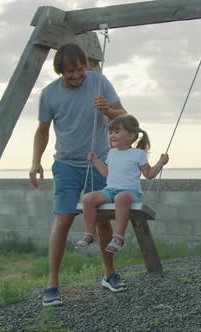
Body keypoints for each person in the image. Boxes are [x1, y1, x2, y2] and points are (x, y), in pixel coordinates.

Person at [29, 43, 128, 307]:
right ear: (60, 71)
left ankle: (109, 274)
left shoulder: (99, 82)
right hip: (66, 165)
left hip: (99, 163)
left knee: (103, 220)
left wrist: (108, 111)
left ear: (87, 65)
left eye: (80, 69)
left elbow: (125, 117)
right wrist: (35, 162)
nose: (76, 75)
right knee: (63, 219)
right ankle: (52, 285)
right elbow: (42, 130)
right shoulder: (49, 94)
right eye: (70, 72)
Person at [75, 115, 169, 254]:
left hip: (130, 193)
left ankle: (118, 237)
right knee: (88, 198)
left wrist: (161, 162)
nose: (112, 135)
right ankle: (91, 234)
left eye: (117, 132)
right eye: (111, 132)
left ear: (130, 136)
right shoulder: (111, 153)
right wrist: (95, 161)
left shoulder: (138, 154)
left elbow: (149, 174)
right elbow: (107, 173)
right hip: (110, 190)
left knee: (120, 198)